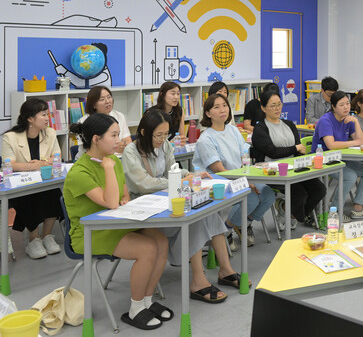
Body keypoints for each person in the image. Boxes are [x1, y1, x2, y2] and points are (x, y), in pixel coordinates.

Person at [122, 110, 248, 302]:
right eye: (158, 135)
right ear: (143, 132)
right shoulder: (131, 151)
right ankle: (198, 281)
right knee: (194, 219)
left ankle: (225, 269)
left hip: (166, 201)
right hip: (145, 211)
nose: (162, 139)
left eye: (166, 134)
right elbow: (143, 184)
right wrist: (179, 181)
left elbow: (173, 170)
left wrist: (191, 175)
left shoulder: (165, 145)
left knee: (208, 214)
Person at [65, 114, 172, 331]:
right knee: (147, 248)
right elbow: (112, 202)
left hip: (116, 223)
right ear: (96, 139)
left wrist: (120, 198)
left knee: (161, 241)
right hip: (90, 232)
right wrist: (107, 171)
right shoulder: (80, 171)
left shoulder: (113, 160)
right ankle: (135, 309)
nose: (119, 140)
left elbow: (124, 196)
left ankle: (147, 301)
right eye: (113, 135)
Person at [193, 94, 275, 247]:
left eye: (225, 105)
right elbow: (220, 170)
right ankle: (225, 230)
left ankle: (239, 224)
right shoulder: (205, 139)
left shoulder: (233, 130)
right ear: (208, 113)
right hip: (219, 182)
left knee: (268, 194)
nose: (222, 110)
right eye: (216, 107)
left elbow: (244, 156)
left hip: (239, 177)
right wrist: (245, 183)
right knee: (251, 198)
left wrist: (248, 178)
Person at [251, 91, 326, 228]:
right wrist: (295, 148)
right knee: (300, 194)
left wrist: (304, 162)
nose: (277, 108)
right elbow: (273, 152)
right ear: (263, 108)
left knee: (319, 189)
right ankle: (297, 215)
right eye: (273, 105)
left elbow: (299, 151)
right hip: (272, 172)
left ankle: (287, 211)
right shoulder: (260, 128)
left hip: (293, 169)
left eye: (279, 104)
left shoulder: (289, 124)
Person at [1, 99, 63, 259]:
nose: (47, 118)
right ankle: (33, 239)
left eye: (48, 114)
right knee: (29, 196)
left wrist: (41, 163)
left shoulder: (50, 133)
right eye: (43, 115)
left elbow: (57, 157)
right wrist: (32, 166)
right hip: (19, 185)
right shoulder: (10, 137)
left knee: (54, 193)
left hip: (44, 181)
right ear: (30, 118)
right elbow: (10, 164)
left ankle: (47, 236)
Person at [311, 91, 363, 221]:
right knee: (350, 176)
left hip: (341, 158)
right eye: (341, 105)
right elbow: (331, 145)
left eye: (347, 103)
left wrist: (356, 122)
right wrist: (352, 143)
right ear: (333, 107)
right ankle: (334, 212)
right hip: (324, 161)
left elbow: (360, 140)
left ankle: (358, 208)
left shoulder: (349, 119)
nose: (346, 107)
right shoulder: (325, 120)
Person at [75, 86, 132, 159]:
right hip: (93, 160)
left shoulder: (119, 116)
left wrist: (119, 145)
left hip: (119, 158)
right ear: (93, 105)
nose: (107, 101)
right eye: (102, 99)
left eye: (109, 97)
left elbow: (128, 141)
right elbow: (89, 149)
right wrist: (115, 146)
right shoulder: (84, 121)